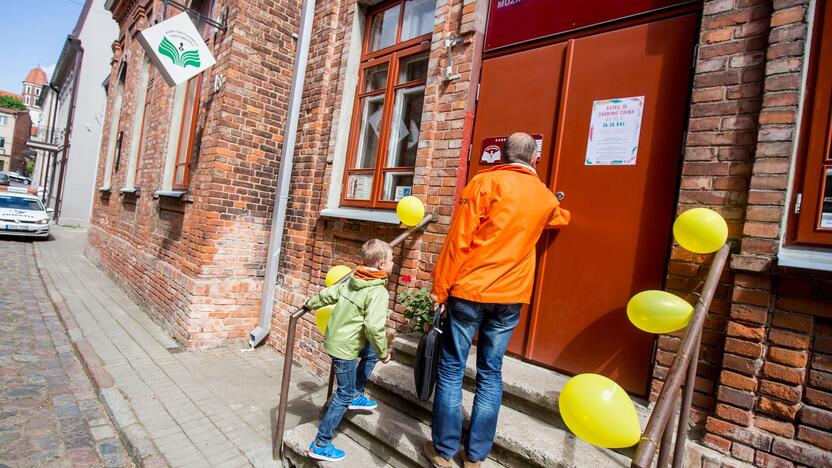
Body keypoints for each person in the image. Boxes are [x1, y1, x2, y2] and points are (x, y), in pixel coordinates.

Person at [424, 132, 571, 467]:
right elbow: (558, 217)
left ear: (501, 155)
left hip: (470, 291)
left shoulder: (483, 183)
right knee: (491, 372)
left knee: (451, 369)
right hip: (510, 297)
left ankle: (444, 454)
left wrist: (440, 290)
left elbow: (458, 240)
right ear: (534, 159)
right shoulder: (544, 196)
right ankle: (475, 458)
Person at [307, 239, 395, 463]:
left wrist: (311, 302)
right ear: (381, 263)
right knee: (343, 394)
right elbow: (375, 328)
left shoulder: (355, 279)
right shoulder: (378, 292)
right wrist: (385, 353)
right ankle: (321, 443)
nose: (393, 264)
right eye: (392, 260)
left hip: (337, 339)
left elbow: (330, 293)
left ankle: (356, 393)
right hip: (345, 348)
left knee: (370, 353)